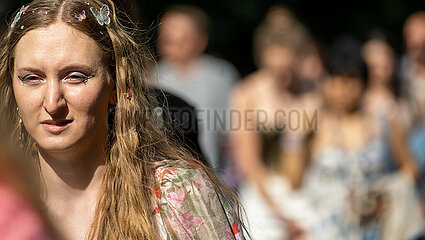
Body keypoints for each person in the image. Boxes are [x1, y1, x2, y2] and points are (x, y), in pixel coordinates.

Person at [0, 0, 245, 239]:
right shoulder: (8, 202)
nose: (52, 102)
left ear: (116, 85)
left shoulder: (177, 195)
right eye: (32, 78)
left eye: (75, 76)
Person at [297, 36, 421, 240]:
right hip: (324, 229)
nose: (343, 90)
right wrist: (294, 138)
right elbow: (295, 179)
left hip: (375, 228)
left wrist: (387, 193)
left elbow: (410, 168)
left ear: (363, 82)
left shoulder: (382, 121)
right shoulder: (315, 123)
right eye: (336, 81)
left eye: (350, 81)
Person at [151, 5, 239, 174]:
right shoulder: (151, 78)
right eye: (167, 39)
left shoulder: (220, 76)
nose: (172, 44)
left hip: (215, 174)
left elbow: (234, 133)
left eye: (181, 39)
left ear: (201, 40)